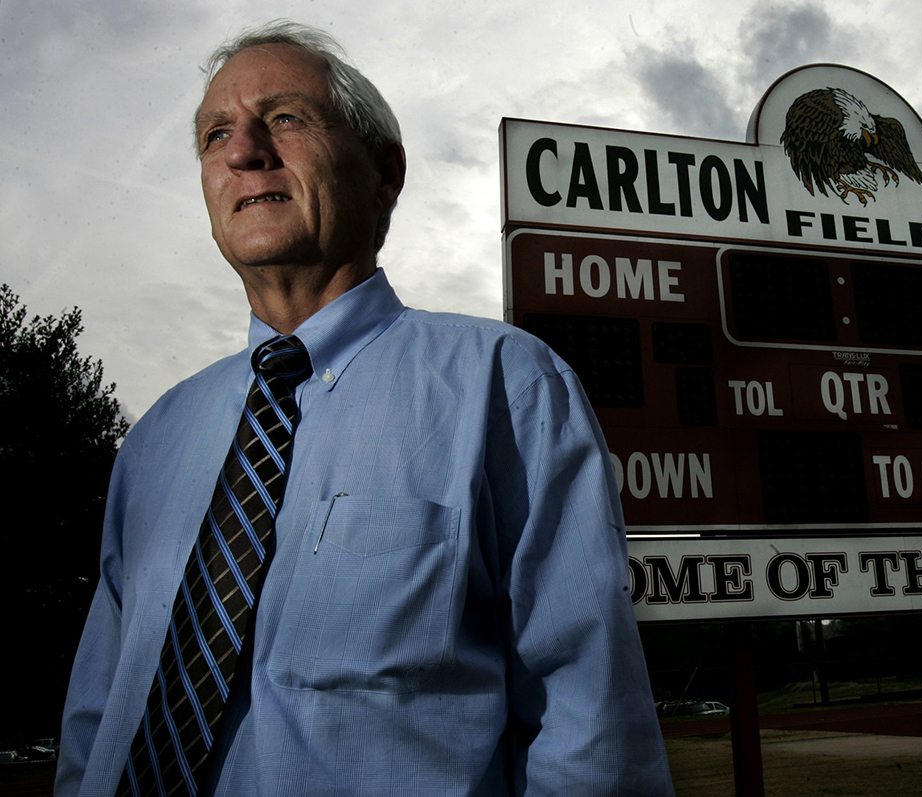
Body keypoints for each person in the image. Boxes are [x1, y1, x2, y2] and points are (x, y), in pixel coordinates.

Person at [56, 21, 672, 796]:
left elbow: (591, 730)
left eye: (284, 119)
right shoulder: (154, 439)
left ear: (386, 171)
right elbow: (95, 716)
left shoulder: (506, 387)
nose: (244, 151)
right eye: (216, 134)